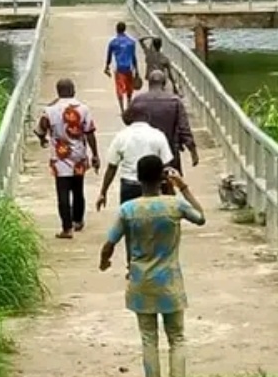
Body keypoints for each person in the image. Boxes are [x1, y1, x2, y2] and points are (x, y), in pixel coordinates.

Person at [99, 155, 206, 377]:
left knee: (148, 339)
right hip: (170, 281)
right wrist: (182, 186)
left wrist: (104, 261)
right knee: (176, 337)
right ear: (162, 177)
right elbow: (200, 218)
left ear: (138, 178)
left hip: (141, 282)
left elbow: (109, 243)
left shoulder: (128, 209)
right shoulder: (174, 205)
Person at [96, 105, 172, 268]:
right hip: (152, 187)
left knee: (129, 227)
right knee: (154, 226)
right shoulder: (158, 135)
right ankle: (153, 262)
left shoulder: (121, 136)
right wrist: (169, 192)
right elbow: (166, 166)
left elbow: (112, 166)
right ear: (147, 117)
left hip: (129, 186)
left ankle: (132, 264)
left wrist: (103, 191)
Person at [34, 78, 100, 239]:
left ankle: (67, 228)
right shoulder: (83, 108)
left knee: (62, 192)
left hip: (59, 156)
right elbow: (90, 132)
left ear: (58, 92)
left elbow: (40, 130)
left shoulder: (49, 110)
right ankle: (78, 220)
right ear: (74, 90)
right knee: (78, 189)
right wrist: (95, 154)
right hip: (78, 155)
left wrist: (43, 139)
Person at [131, 70, 199, 194]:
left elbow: (128, 121)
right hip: (169, 152)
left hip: (143, 152)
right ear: (164, 83)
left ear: (149, 83)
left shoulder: (138, 100)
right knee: (169, 186)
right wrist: (193, 151)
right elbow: (184, 129)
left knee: (146, 187)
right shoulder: (175, 101)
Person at [104, 21, 139, 115]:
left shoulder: (113, 43)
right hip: (129, 68)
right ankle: (129, 106)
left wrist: (106, 66)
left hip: (119, 69)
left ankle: (122, 109)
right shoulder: (131, 42)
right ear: (125, 29)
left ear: (116, 30)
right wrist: (137, 70)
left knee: (119, 89)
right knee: (129, 88)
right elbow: (133, 57)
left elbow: (109, 56)